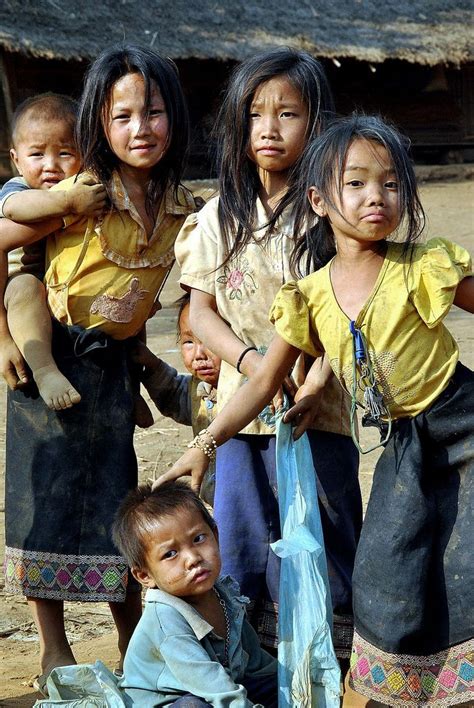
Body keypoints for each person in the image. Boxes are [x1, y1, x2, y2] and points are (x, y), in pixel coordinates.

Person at [158, 114, 474, 707]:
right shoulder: (311, 295)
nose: (375, 197)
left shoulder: (422, 264)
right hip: (407, 442)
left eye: (390, 183)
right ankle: (395, 690)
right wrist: (203, 446)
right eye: (354, 184)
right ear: (319, 200)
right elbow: (261, 383)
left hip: (465, 423)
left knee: (468, 556)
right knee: (384, 571)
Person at [2, 45, 198, 694]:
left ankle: (132, 637)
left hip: (113, 369)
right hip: (49, 363)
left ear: (176, 120)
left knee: (120, 503)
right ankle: (53, 648)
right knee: (45, 504)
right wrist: (3, 333)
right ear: (99, 124)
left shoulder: (180, 207)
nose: (141, 127)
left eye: (155, 112)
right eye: (123, 116)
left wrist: (148, 367)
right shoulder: (78, 195)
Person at [174, 48, 362, 656]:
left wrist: (310, 383)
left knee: (323, 535)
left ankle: (324, 670)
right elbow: (199, 311)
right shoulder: (216, 218)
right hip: (238, 409)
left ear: (316, 125)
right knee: (244, 542)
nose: (269, 128)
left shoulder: (332, 213)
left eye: (289, 113)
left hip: (319, 407)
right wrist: (253, 362)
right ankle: (254, 668)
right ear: (237, 124)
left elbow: (349, 308)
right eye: (256, 114)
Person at [112, 480, 278, 707]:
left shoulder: (224, 594)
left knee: (278, 683)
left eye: (199, 539)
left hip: (216, 690)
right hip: (172, 702)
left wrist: (289, 682)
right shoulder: (166, 621)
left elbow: (257, 663)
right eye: (170, 554)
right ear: (144, 576)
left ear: (216, 535)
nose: (193, 559)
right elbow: (214, 687)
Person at [0, 93, 106, 409]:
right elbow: (15, 210)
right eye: (36, 154)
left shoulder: (87, 186)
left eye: (64, 153)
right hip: (24, 288)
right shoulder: (18, 188)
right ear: (15, 159)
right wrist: (68, 203)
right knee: (25, 288)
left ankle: (130, 384)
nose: (51, 166)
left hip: (71, 291)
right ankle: (45, 370)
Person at [133, 293, 220, 504]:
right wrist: (152, 365)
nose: (199, 354)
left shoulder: (247, 390)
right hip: (216, 498)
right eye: (188, 342)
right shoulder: (197, 388)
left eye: (209, 340)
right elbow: (173, 395)